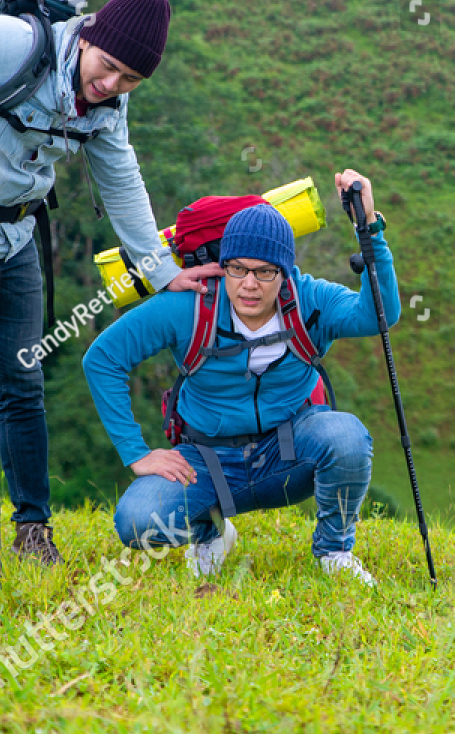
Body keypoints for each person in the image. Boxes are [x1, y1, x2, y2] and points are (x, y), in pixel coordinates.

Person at [0, 0, 223, 577]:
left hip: (14, 242)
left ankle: (33, 532)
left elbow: (121, 183)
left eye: (131, 78)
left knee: (22, 377)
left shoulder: (109, 109)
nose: (112, 84)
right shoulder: (13, 44)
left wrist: (164, 273)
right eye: (108, 66)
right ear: (86, 37)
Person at [81, 171, 399, 585]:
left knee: (347, 436)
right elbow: (102, 359)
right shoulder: (189, 307)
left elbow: (379, 314)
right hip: (205, 460)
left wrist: (369, 227)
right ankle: (211, 532)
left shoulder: (309, 302)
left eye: (265, 272)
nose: (249, 284)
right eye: (237, 269)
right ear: (221, 267)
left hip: (287, 453)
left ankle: (334, 552)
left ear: (285, 272)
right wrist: (136, 453)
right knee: (138, 523)